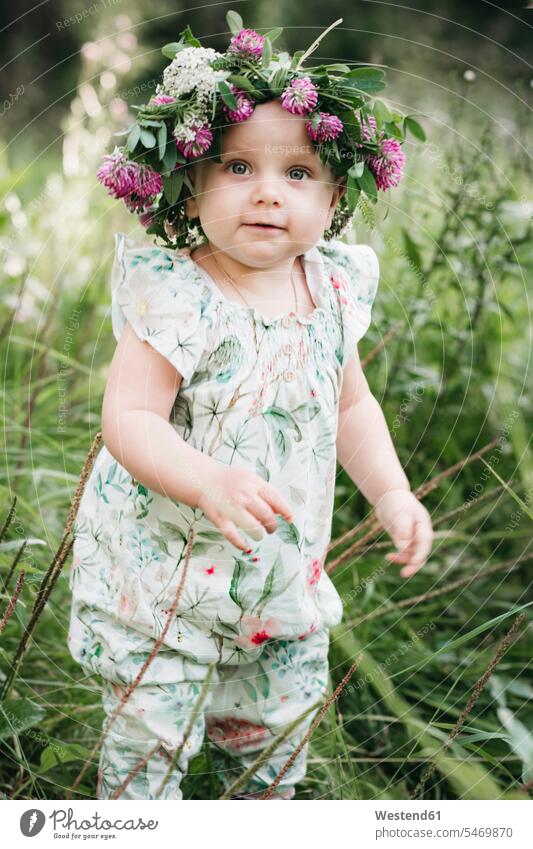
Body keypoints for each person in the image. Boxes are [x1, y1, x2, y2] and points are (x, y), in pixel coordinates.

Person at [68, 13, 433, 800]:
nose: (268, 192)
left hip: (277, 588)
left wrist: (392, 491)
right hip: (161, 587)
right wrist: (205, 480)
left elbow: (350, 408)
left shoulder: (332, 285)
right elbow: (127, 418)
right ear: (188, 178)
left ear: (336, 193)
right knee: (146, 754)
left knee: (272, 760)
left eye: (297, 173)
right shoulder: (176, 293)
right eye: (237, 166)